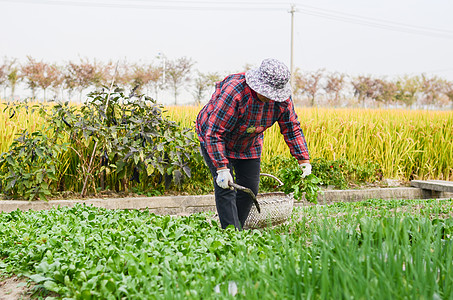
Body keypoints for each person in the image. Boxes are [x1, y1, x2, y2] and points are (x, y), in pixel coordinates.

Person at [196, 58, 311, 230]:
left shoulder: (282, 100)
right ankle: (231, 235)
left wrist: (304, 160)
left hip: (249, 142)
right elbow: (214, 133)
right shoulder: (234, 92)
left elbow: (291, 127)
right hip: (216, 139)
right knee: (226, 187)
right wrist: (221, 168)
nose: (271, 97)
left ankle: (238, 229)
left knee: (250, 188)